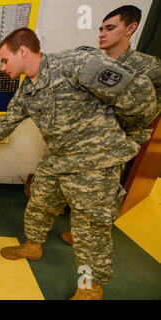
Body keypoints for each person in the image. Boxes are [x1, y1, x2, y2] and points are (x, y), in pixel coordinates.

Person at [0, 27, 157, 300]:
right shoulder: (27, 91)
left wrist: (134, 133)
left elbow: (140, 95)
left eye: (5, 60)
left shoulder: (78, 64)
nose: (2, 67)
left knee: (89, 228)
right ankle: (32, 246)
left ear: (24, 51)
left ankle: (90, 287)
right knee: (39, 202)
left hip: (93, 161)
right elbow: (4, 127)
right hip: (57, 157)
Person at [61, 5, 161, 246]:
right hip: (79, 143)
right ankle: (76, 234)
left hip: (110, 150)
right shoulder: (92, 63)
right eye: (101, 29)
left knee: (98, 206)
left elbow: (150, 111)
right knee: (74, 195)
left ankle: (91, 277)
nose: (102, 33)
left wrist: (126, 140)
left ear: (131, 28)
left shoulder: (147, 67)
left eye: (110, 28)